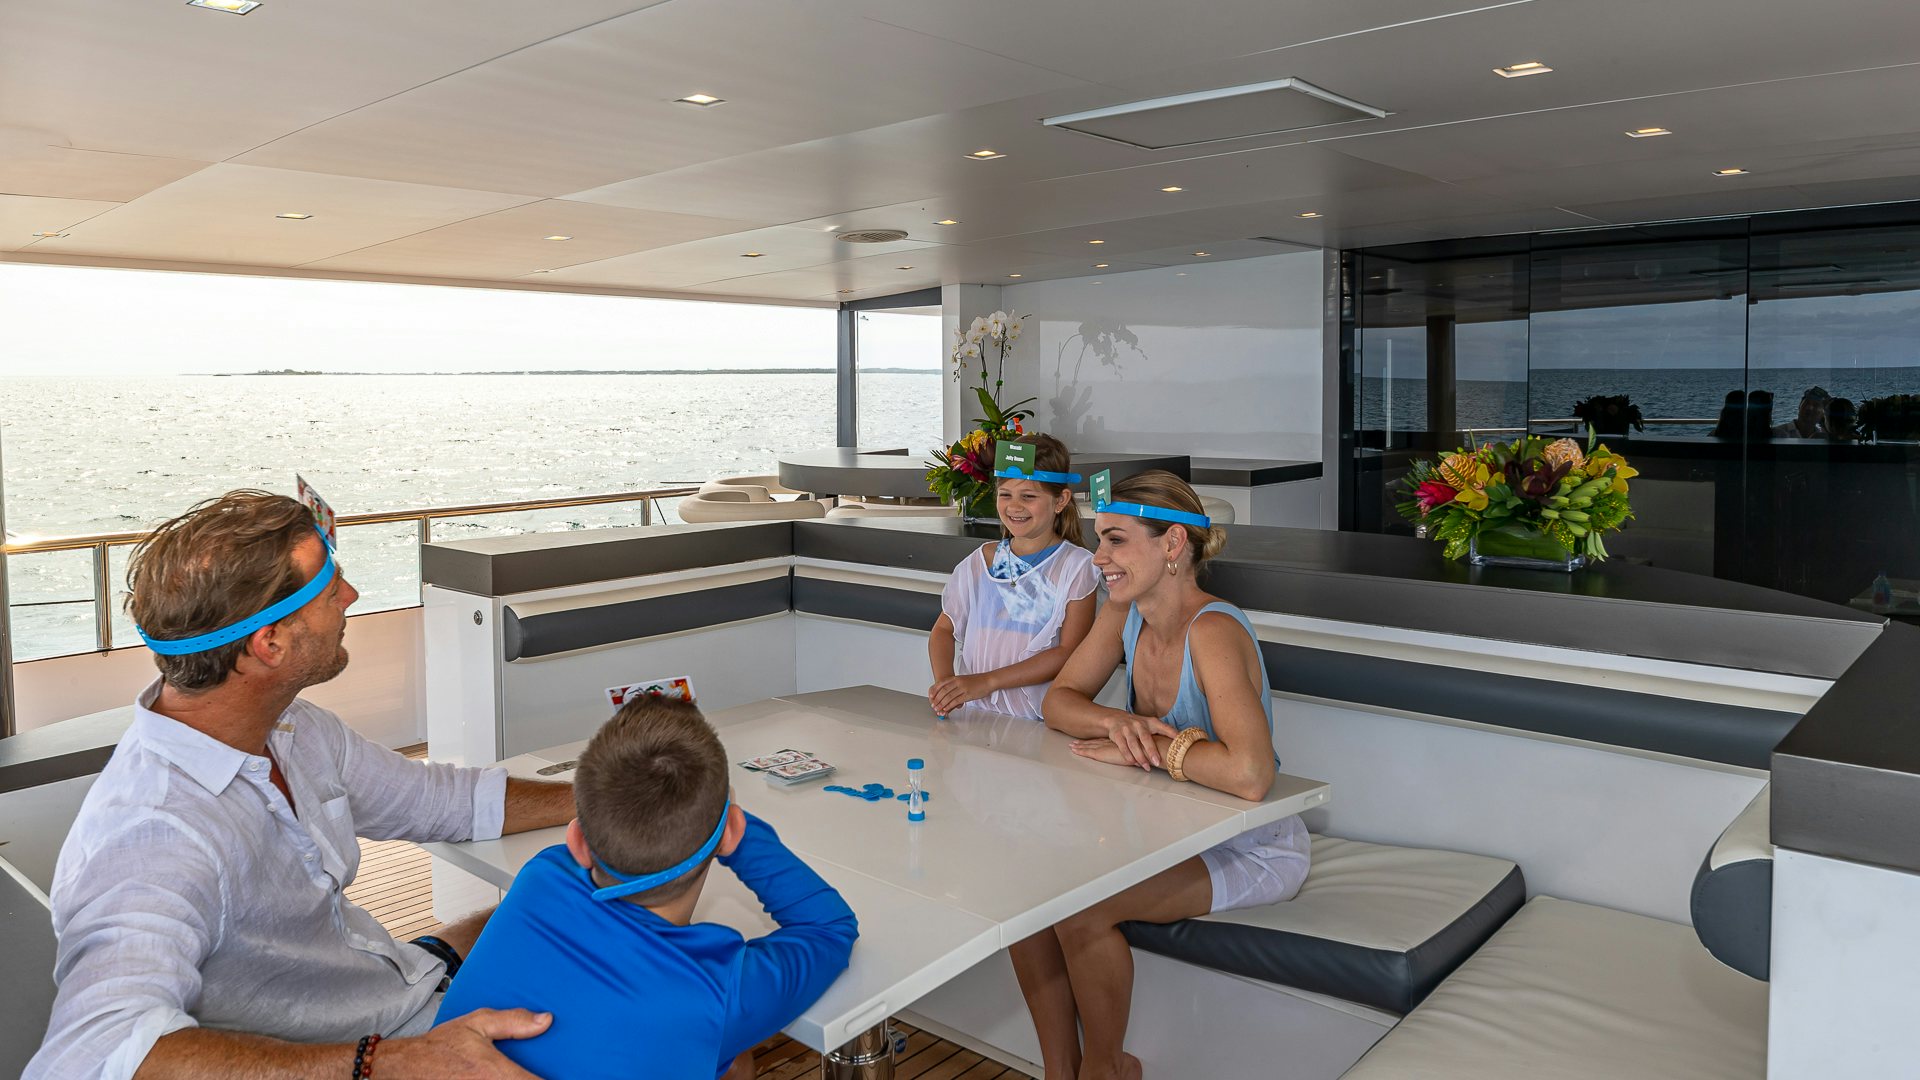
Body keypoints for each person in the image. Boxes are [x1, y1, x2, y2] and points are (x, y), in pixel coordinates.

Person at [27, 491, 578, 1080]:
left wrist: (597, 804)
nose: (350, 596)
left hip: (393, 985)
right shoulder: (155, 835)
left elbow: (441, 802)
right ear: (271, 644)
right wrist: (389, 1064)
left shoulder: (291, 727)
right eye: (329, 583)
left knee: (555, 907)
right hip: (377, 1048)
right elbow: (93, 1054)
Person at [1020, 470, 1309, 1080]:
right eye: (1101, 541)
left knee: (1078, 910)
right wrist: (1118, 724)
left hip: (1249, 847)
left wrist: (1145, 749)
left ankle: (1106, 1069)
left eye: (1116, 541)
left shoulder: (1214, 630)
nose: (1098, 558)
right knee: (1023, 896)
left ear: (1173, 544)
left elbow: (1251, 775)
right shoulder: (1124, 614)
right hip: (1169, 827)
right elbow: (1060, 701)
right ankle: (1058, 1070)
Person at [437, 695, 859, 1080]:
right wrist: (735, 831)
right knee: (724, 1048)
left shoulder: (541, 877)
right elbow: (830, 927)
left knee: (727, 1056)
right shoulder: (717, 989)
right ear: (731, 831)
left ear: (577, 841)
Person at [928, 433, 1100, 720]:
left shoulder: (1078, 567)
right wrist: (947, 684)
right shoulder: (980, 562)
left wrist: (987, 681)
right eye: (1005, 494)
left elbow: (1068, 652)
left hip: (1035, 721)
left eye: (1029, 497)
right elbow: (943, 631)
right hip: (975, 716)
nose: (1014, 506)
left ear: (1061, 501)